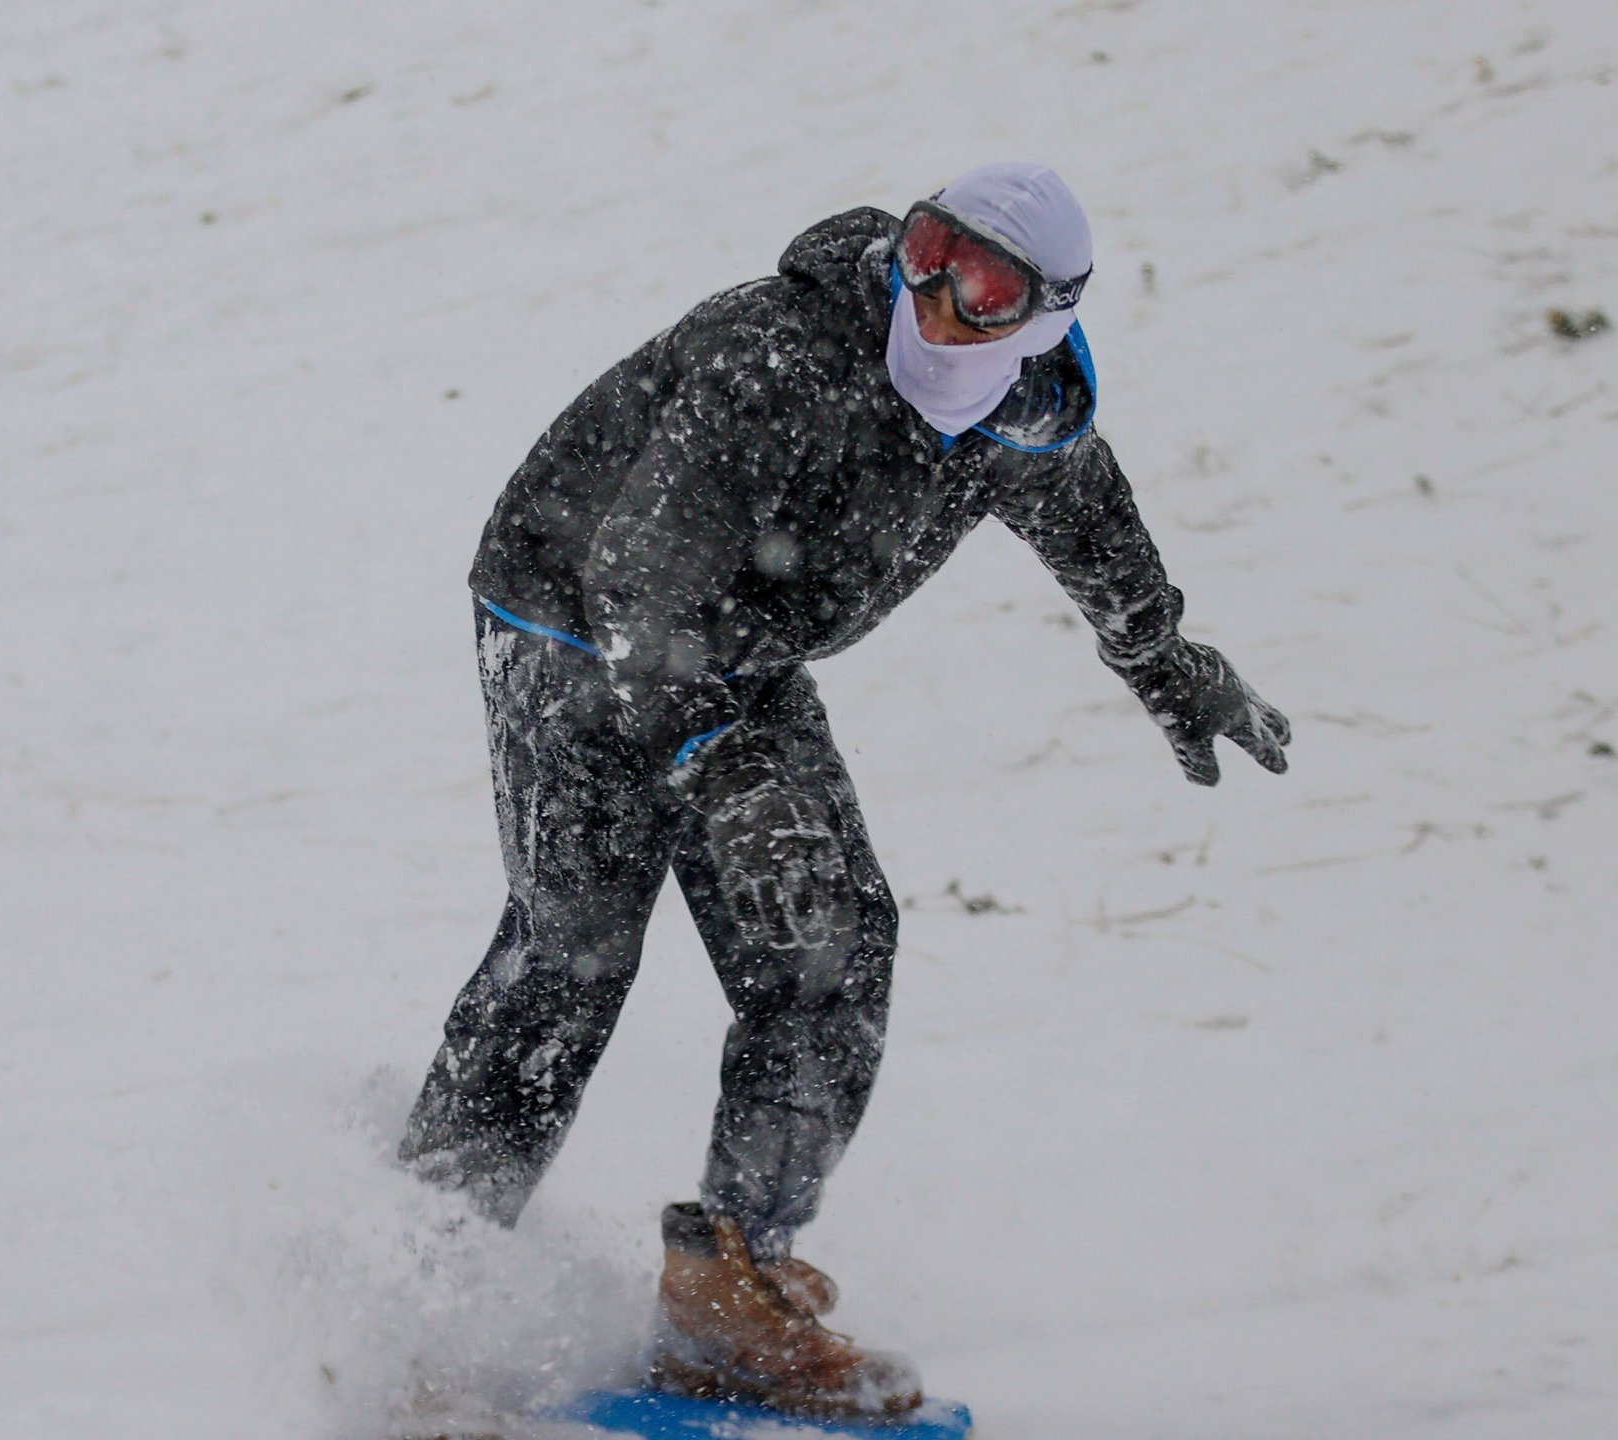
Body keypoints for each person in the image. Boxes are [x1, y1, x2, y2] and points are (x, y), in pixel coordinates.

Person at [398, 163, 1292, 1421]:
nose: (931, 295)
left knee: (829, 936)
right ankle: (415, 1286)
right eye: (927, 249)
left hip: (735, 649)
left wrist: (1164, 663)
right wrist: (710, 758)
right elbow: (643, 579)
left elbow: (1090, 521)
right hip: (565, 618)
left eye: (980, 284)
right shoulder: (781, 358)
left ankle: (728, 1290)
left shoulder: (1024, 417)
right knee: (577, 949)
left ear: (1042, 317)